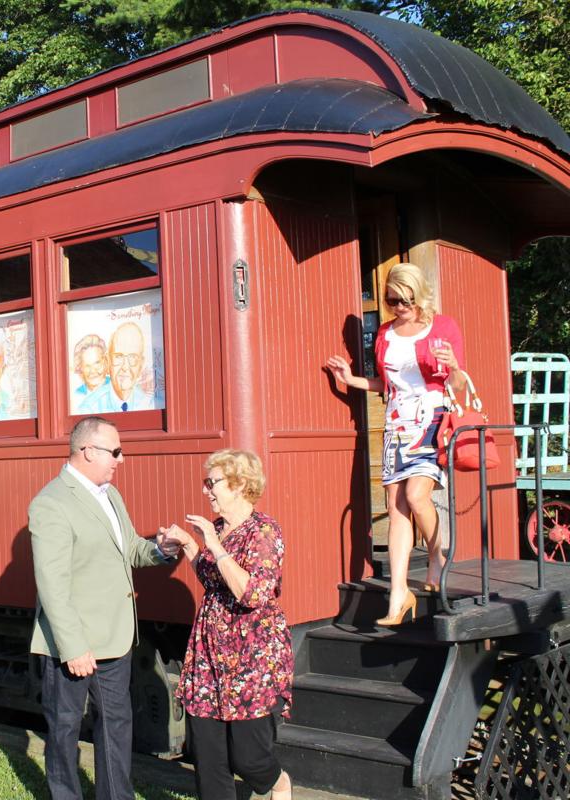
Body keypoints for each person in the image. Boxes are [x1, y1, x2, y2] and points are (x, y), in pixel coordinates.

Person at [29, 416, 178, 800]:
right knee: (63, 730)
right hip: (73, 644)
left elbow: (129, 549)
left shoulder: (110, 494)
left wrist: (161, 550)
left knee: (116, 725)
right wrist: (74, 646)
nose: (121, 459)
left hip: (115, 638)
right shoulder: (51, 504)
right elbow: (52, 585)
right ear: (87, 451)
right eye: (115, 451)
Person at [324, 262, 466, 625]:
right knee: (396, 503)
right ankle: (398, 594)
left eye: (404, 300)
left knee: (417, 496)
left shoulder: (444, 326)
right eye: (391, 301)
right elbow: (386, 386)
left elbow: (460, 385)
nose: (398, 307)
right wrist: (351, 380)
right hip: (395, 424)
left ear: (418, 295)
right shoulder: (386, 334)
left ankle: (438, 555)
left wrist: (452, 367)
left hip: (431, 419)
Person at [160, 449, 293, 800]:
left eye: (213, 482)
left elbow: (251, 593)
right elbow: (212, 577)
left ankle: (279, 783)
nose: (207, 490)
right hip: (210, 650)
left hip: (251, 654)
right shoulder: (218, 528)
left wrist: (215, 546)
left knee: (248, 759)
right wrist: (189, 543)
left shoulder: (264, 531)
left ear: (238, 485)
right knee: (209, 755)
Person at [78, 323, 152, 413]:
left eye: (132, 357)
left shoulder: (150, 404)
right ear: (108, 361)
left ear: (141, 365)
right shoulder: (89, 409)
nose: (125, 367)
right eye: (118, 357)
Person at [71, 333, 110, 411]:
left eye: (97, 363)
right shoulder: (77, 395)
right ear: (80, 368)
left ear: (105, 362)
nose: (92, 371)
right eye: (87, 366)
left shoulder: (115, 388)